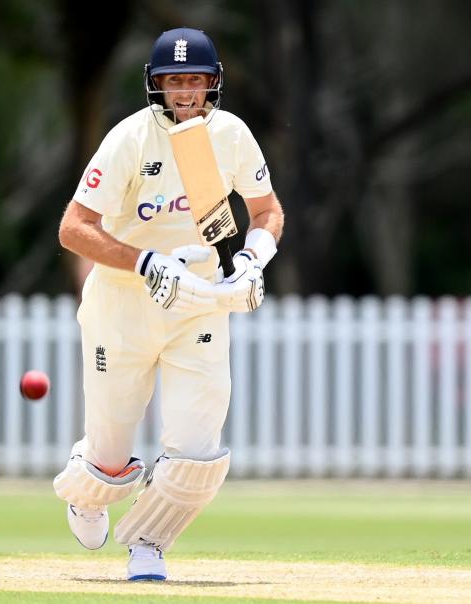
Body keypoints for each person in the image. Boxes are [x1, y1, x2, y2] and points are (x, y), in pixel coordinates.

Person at [52, 27, 285, 581]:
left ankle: (149, 543)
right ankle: (87, 492)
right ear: (155, 85)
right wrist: (146, 263)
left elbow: (267, 209)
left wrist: (253, 259)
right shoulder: (129, 139)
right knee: (110, 455)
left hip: (199, 303)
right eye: (174, 81)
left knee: (198, 450)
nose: (185, 92)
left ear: (213, 83)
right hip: (123, 304)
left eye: (195, 80)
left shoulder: (230, 135)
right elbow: (72, 229)